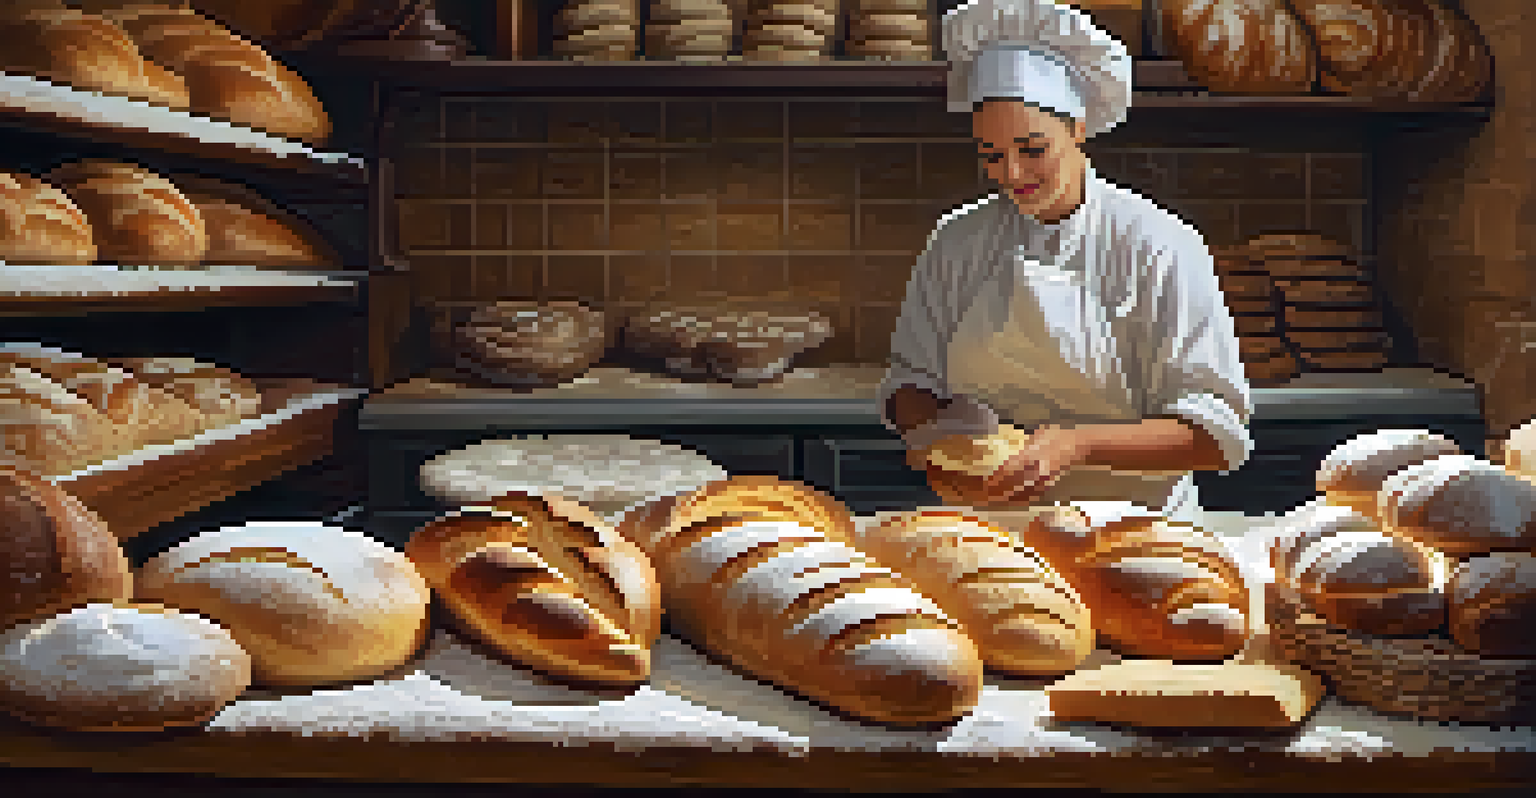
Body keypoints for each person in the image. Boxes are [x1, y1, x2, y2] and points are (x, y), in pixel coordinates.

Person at [879, 0, 1252, 527]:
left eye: (1032, 149)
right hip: (990, 529)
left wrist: (1077, 446)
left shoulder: (1161, 244)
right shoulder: (956, 242)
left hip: (1137, 536)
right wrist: (941, 428)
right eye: (991, 154)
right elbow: (906, 384)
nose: (1011, 174)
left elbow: (1215, 436)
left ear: (1078, 128)